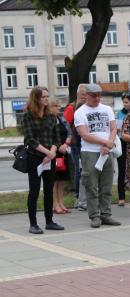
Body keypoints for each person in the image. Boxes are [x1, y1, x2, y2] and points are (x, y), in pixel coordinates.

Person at [74, 83, 121, 228]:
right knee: (91, 186)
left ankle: (106, 214)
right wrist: (106, 142)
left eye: (99, 95)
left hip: (107, 152)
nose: (97, 98)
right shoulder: (80, 112)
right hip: (90, 152)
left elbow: (113, 129)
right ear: (86, 95)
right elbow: (84, 134)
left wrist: (109, 144)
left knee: (106, 186)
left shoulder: (107, 109)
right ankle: (94, 216)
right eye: (94, 95)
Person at [22, 86, 64, 234]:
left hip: (49, 158)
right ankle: (33, 224)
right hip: (35, 157)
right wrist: (47, 152)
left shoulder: (51, 116)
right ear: (36, 98)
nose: (46, 99)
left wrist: (52, 152)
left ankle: (49, 221)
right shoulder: (28, 115)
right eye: (43, 97)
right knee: (34, 191)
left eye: (47, 96)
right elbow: (29, 139)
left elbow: (56, 138)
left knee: (48, 190)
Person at [63, 84, 87, 211]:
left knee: (87, 170)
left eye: (85, 93)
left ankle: (86, 196)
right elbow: (67, 125)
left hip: (87, 143)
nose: (84, 95)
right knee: (79, 170)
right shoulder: (71, 107)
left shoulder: (89, 106)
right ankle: (78, 196)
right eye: (82, 93)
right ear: (77, 93)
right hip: (76, 143)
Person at [49, 98, 72, 214]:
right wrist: (59, 146)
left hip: (63, 152)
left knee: (62, 180)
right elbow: (49, 137)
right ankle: (55, 204)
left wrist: (66, 143)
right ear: (49, 107)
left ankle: (61, 203)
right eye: (56, 106)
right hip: (53, 152)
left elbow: (69, 133)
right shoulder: (47, 120)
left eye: (59, 105)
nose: (59, 108)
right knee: (54, 180)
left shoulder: (61, 119)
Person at [116, 92, 130, 206]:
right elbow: (117, 129)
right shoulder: (120, 114)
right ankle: (121, 197)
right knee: (122, 170)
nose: (125, 104)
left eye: (127, 102)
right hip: (122, 143)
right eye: (124, 102)